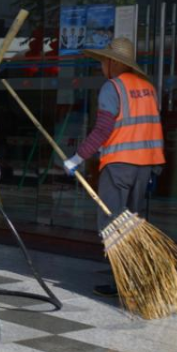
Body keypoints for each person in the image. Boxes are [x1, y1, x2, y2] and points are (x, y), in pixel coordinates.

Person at [63, 37, 165, 297]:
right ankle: (135, 278)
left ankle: (123, 281)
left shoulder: (113, 88)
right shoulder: (148, 88)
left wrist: (77, 158)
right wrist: (155, 169)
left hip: (119, 166)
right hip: (144, 166)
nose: (101, 66)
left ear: (114, 62)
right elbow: (153, 127)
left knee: (113, 224)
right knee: (131, 223)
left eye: (103, 61)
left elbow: (103, 130)